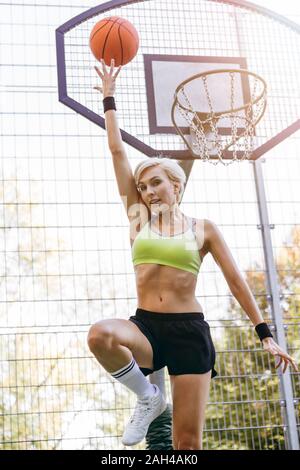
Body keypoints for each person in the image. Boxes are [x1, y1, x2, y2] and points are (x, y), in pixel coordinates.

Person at [88, 59, 299, 450]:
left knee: (188, 446)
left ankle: (160, 413)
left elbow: (237, 282)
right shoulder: (138, 219)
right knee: (100, 334)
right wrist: (108, 97)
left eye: (156, 184)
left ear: (176, 186)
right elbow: (117, 151)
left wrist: (265, 335)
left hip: (189, 332)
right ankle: (148, 399)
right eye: (143, 186)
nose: (148, 192)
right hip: (146, 328)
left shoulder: (203, 228)